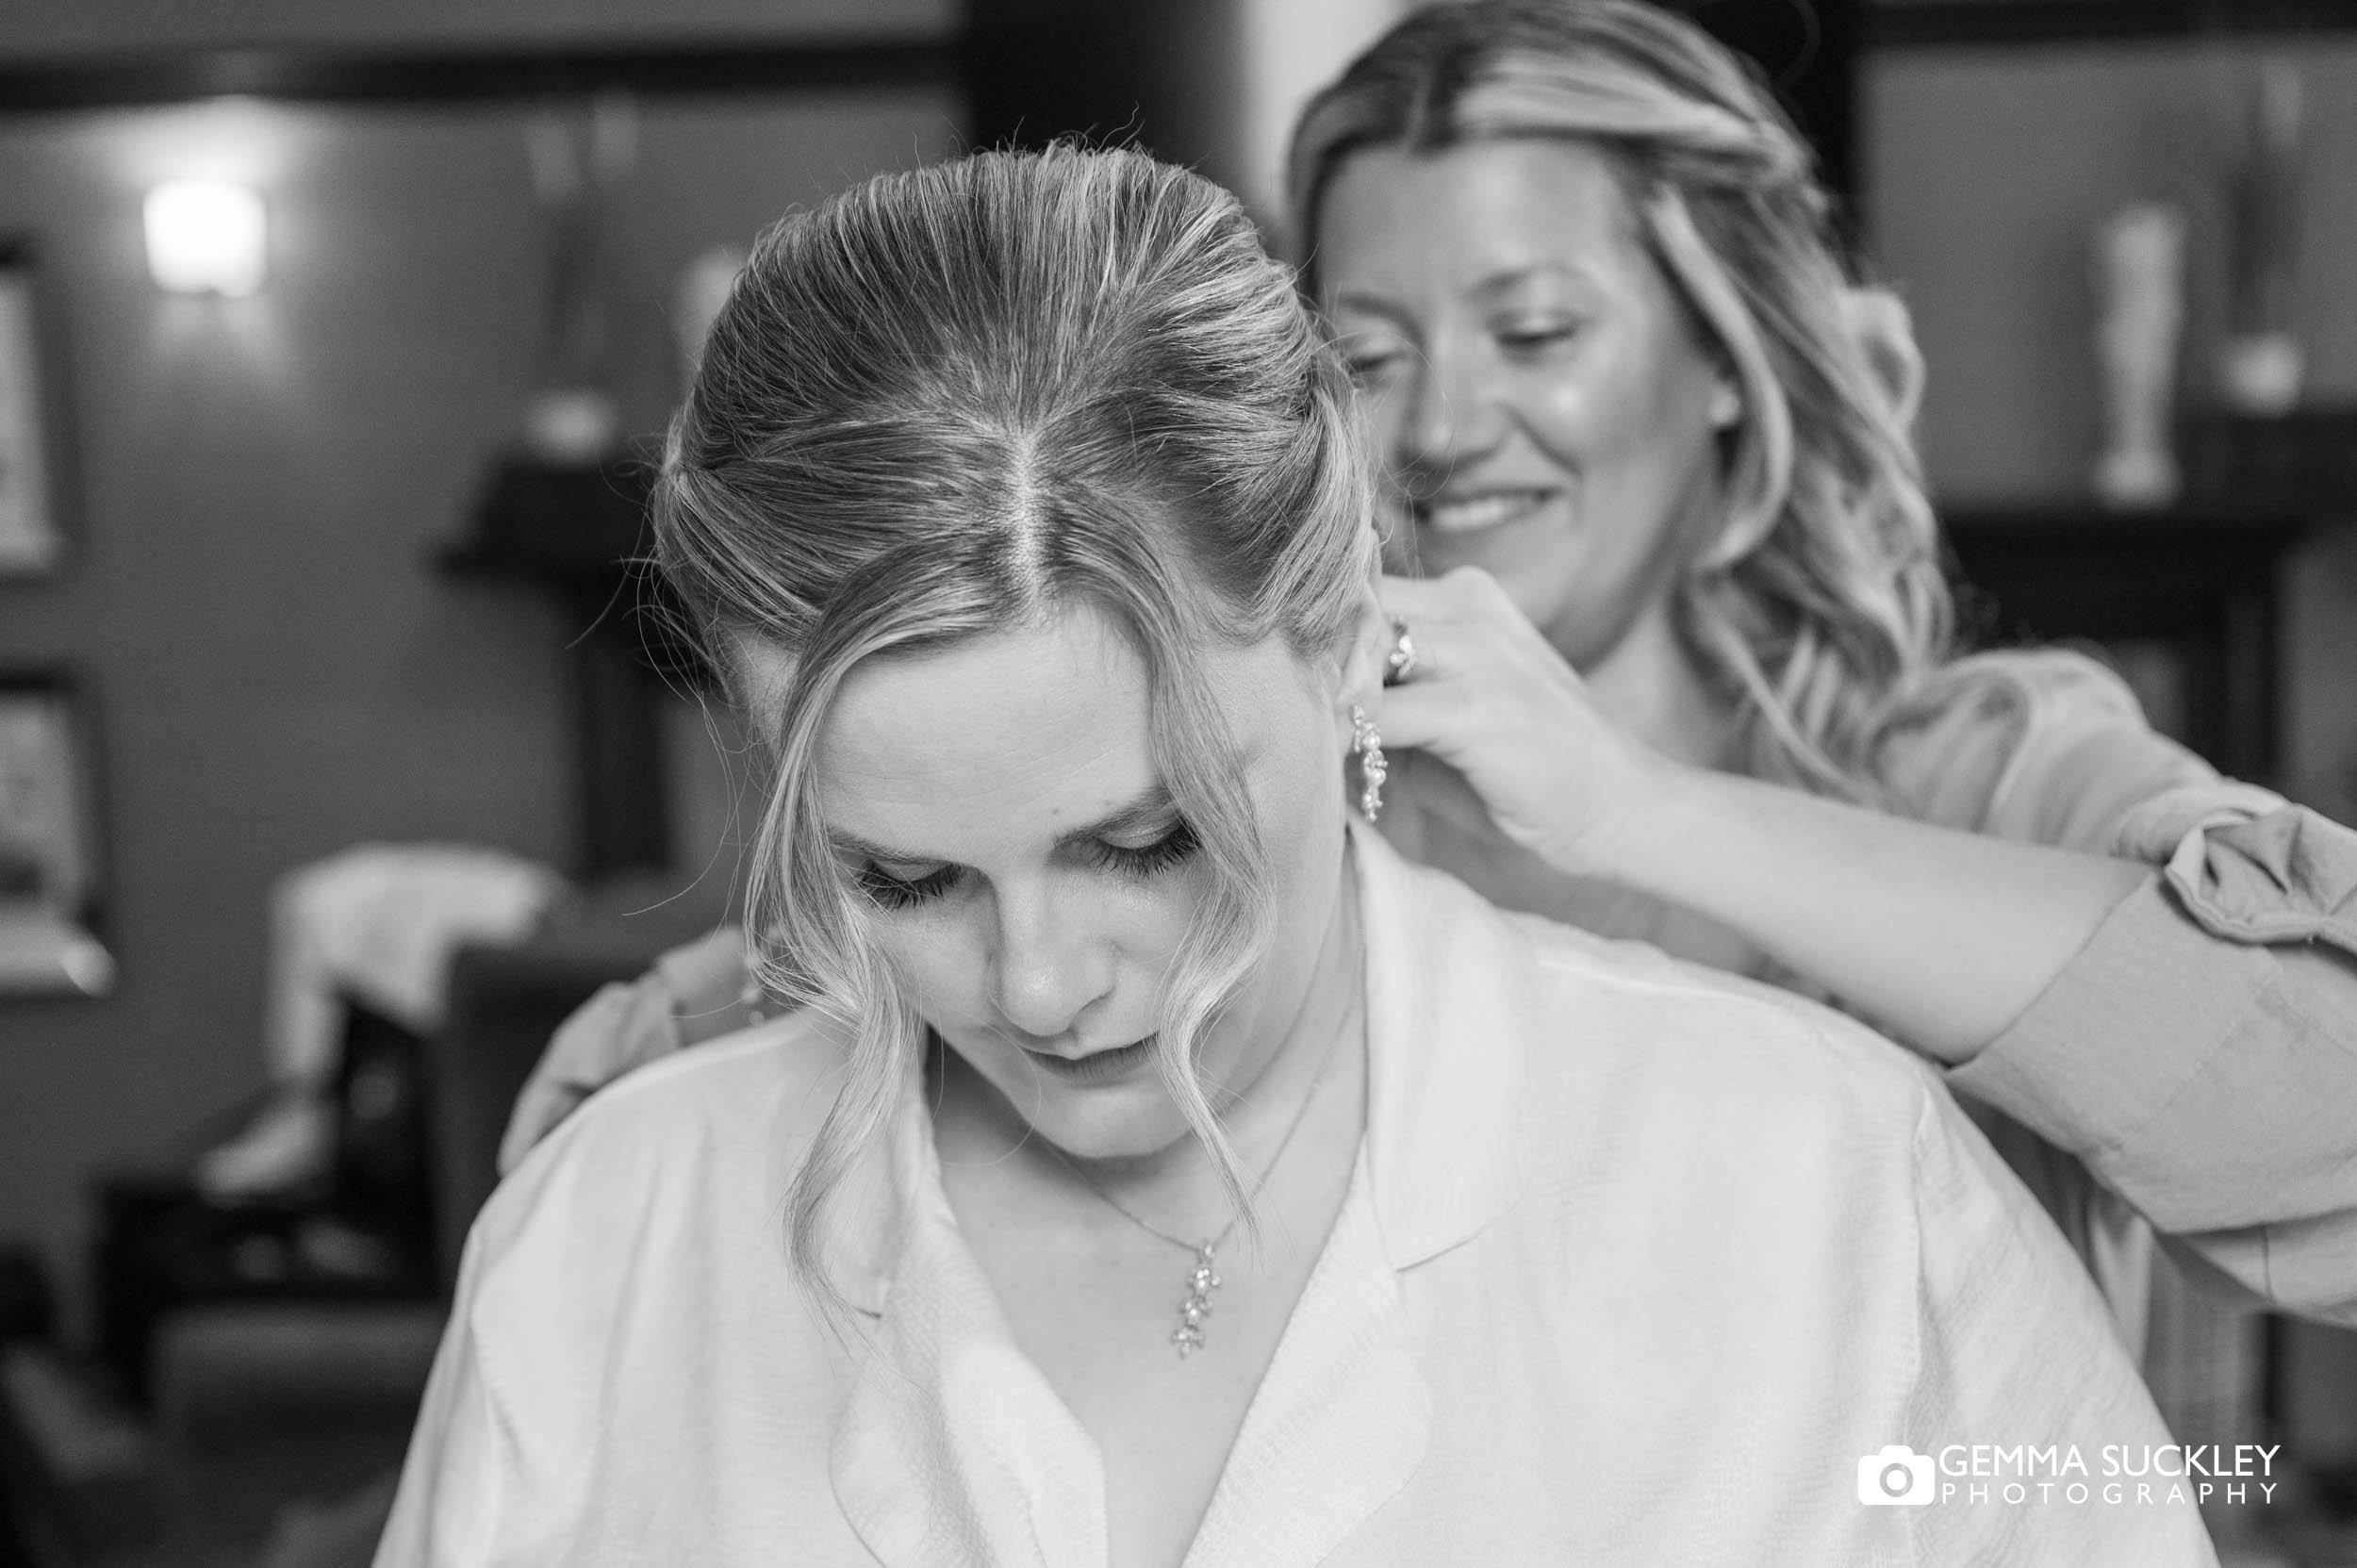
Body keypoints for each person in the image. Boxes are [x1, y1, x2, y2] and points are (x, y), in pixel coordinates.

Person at [379, 146, 2211, 1564]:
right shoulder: (612, 1240)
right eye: (902, 881)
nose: (1036, 986)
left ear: (1348, 647)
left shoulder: (1825, 1193)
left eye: (1144, 836)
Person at [503, 0, 2357, 1338]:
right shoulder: (1254, 802)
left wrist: (1641, 811)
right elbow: (708, 1071)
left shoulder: (1970, 765)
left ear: (1721, 354)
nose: (1450, 423)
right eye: (1368, 348)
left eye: (1533, 326)